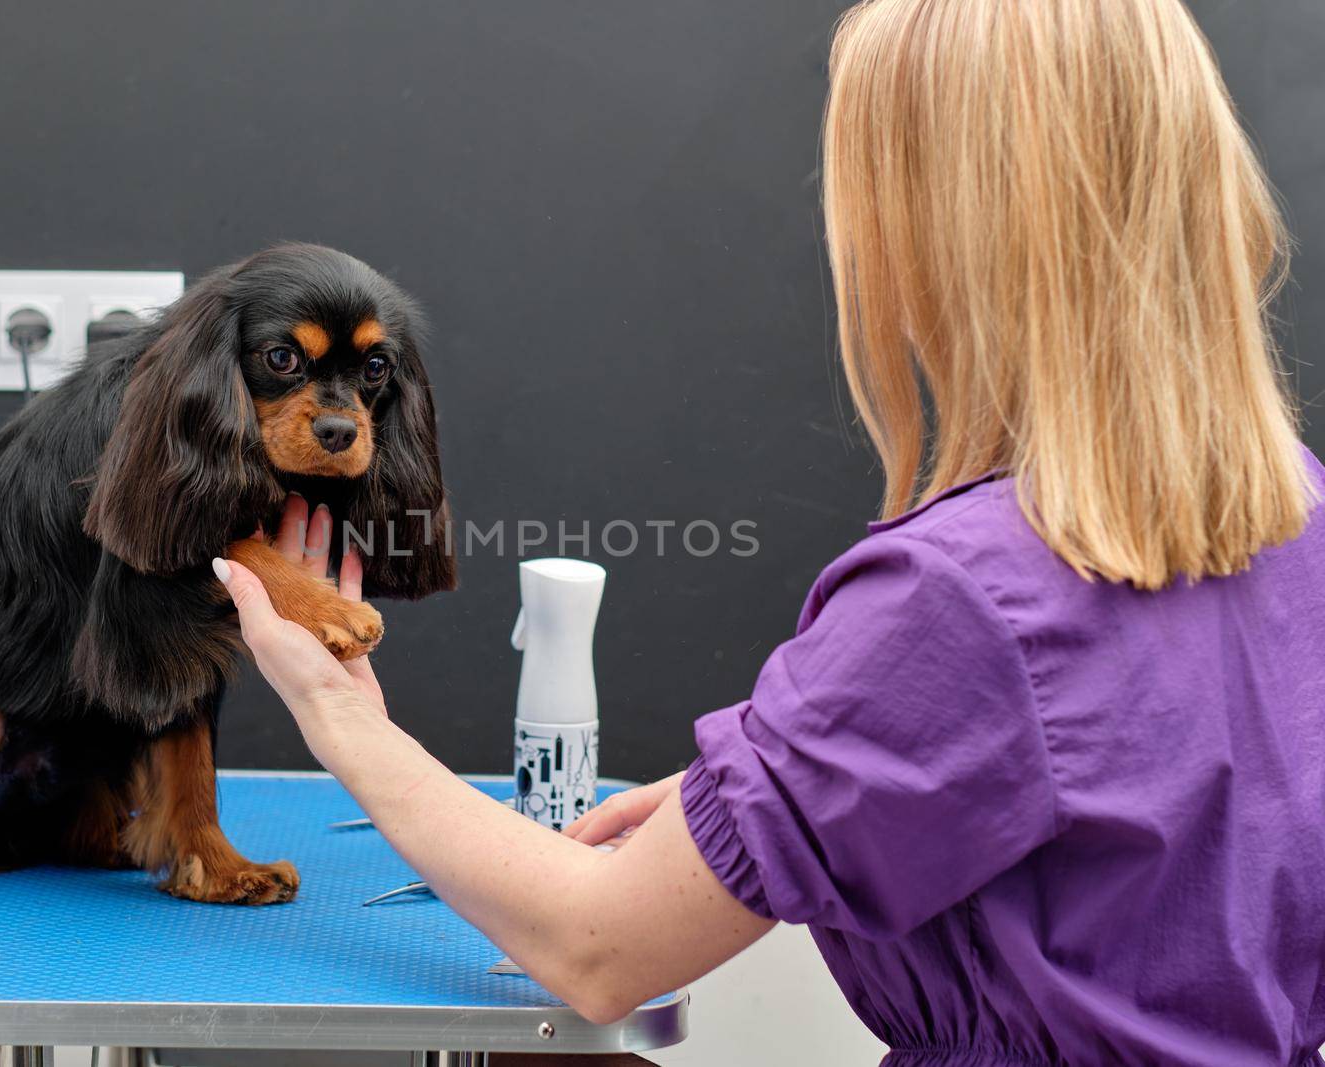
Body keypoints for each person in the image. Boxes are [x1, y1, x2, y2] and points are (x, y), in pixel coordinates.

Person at [213, 1, 1325, 1063]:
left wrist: (340, 716)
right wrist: (789, 770)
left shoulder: (967, 596)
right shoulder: (1302, 518)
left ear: (948, 224)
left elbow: (597, 950)